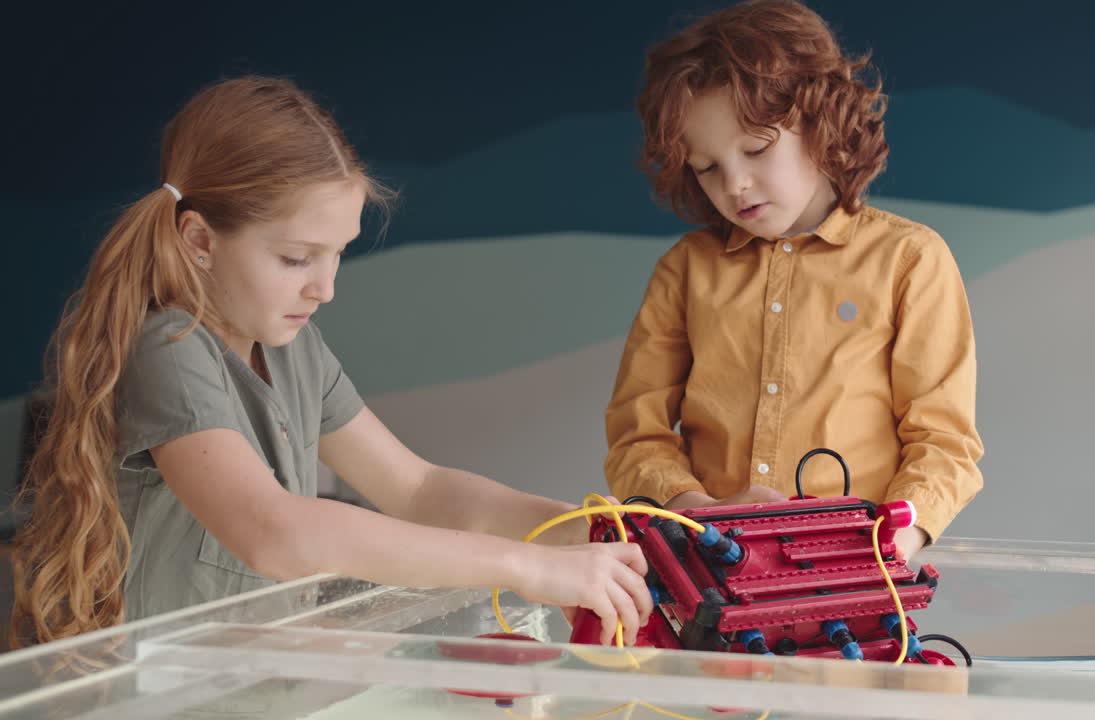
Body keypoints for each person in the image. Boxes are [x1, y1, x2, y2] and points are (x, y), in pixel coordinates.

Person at [10, 76, 650, 648]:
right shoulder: (169, 349)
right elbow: (275, 531)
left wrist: (583, 534)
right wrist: (527, 568)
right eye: (296, 258)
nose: (326, 288)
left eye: (338, 253)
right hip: (164, 697)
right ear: (200, 241)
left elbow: (419, 489)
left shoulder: (294, 348)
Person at [605, 0, 984, 561]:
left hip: (858, 574)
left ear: (821, 123)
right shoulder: (685, 270)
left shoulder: (911, 259)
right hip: (711, 567)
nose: (734, 184)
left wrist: (888, 547)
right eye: (707, 167)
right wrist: (695, 513)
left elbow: (943, 443)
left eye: (756, 149)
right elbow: (638, 435)